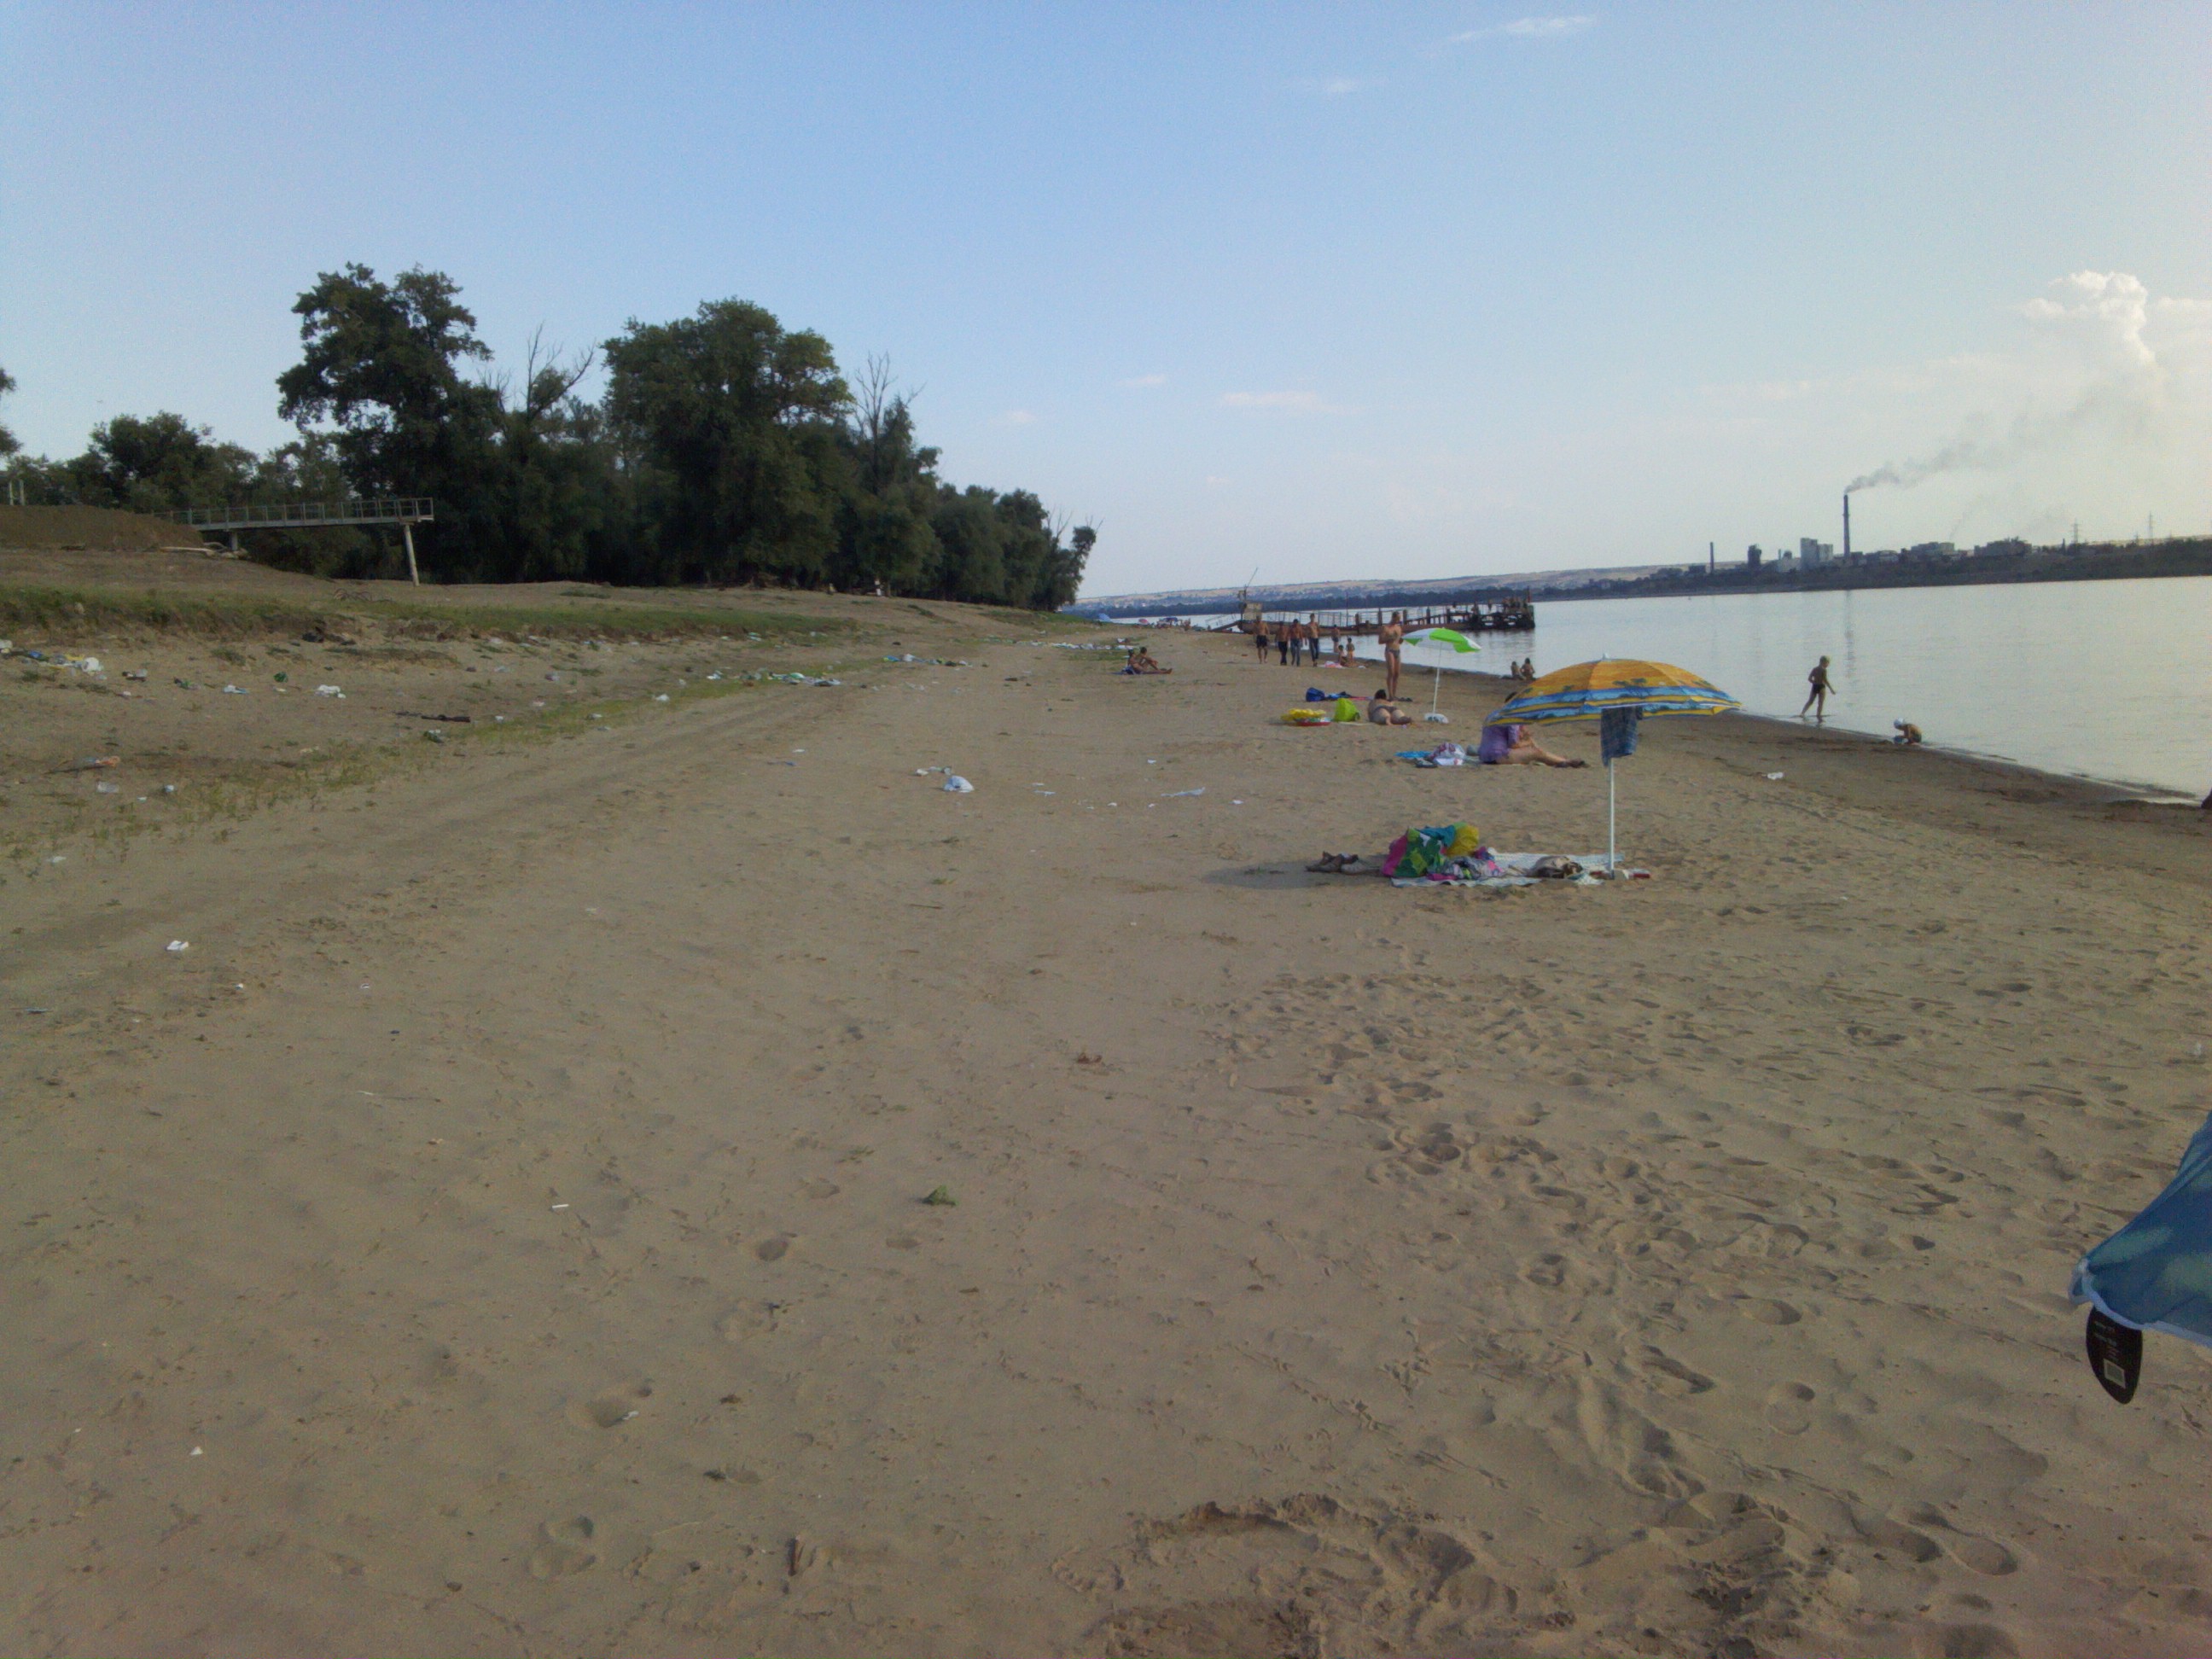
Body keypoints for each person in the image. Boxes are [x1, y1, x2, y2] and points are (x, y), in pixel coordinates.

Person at [1476, 720, 1585, 767]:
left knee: (1535, 751)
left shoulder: (1495, 715)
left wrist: (1523, 733)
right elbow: (1514, 745)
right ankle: (1566, 762)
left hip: (1484, 755)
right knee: (1536, 753)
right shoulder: (1512, 718)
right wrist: (1528, 741)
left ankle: (1561, 760)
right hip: (1497, 756)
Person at [1379, 611, 1406, 701]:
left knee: (1397, 673)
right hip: (1389, 650)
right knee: (1391, 672)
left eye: (1399, 618)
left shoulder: (1399, 628)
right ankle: (1390, 695)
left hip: (1397, 650)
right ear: (1393, 618)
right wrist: (1389, 638)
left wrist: (1403, 638)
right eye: (1397, 618)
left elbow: (1400, 642)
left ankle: (1394, 694)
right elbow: (1380, 641)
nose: (1399, 620)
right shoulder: (1386, 628)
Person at [1800, 655, 1834, 719]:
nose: (1828, 665)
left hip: (1815, 686)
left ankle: (1802, 713)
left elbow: (1809, 678)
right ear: (1824, 662)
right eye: (1827, 663)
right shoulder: (1824, 670)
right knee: (1820, 703)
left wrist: (1814, 682)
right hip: (1821, 687)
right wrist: (1831, 689)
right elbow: (1825, 680)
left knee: (1810, 701)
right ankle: (1818, 715)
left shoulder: (1815, 669)